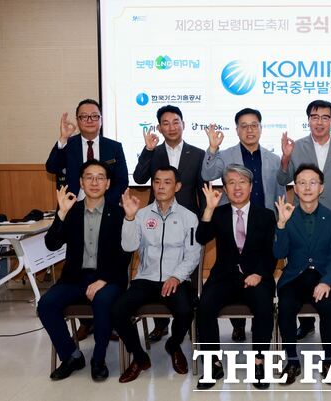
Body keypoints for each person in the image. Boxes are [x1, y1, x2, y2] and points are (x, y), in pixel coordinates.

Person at [38, 160, 131, 382]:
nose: (94, 182)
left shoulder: (119, 213)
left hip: (108, 279)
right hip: (74, 278)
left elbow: (125, 254)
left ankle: (98, 360)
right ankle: (71, 356)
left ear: (108, 183)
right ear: (81, 182)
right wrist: (61, 213)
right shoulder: (71, 211)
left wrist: (103, 280)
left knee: (102, 301)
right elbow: (51, 244)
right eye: (89, 177)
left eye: (100, 178)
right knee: (46, 305)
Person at [45, 99, 129, 340]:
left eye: (95, 116)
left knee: (105, 262)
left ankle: (105, 319)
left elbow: (121, 180)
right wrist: (62, 139)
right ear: (78, 120)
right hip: (73, 212)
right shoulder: (68, 145)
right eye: (84, 116)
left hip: (106, 212)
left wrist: (101, 202)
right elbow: (51, 167)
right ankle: (86, 322)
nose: (90, 120)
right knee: (77, 264)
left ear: (101, 119)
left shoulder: (114, 146)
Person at [201, 107, 285, 341]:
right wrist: (212, 149)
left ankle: (259, 353)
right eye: (244, 126)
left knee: (260, 288)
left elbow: (279, 191)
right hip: (232, 218)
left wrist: (281, 220)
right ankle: (236, 326)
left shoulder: (273, 159)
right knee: (218, 288)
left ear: (260, 128)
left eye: (254, 125)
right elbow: (207, 174)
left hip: (262, 221)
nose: (249, 130)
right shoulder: (226, 155)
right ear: (237, 130)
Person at [278, 99, 331, 339]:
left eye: (325, 117)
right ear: (308, 120)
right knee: (301, 265)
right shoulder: (297, 147)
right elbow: (283, 180)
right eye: (315, 117)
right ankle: (306, 323)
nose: (319, 122)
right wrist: (285, 158)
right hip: (302, 219)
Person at [113, 166, 201, 383]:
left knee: (185, 311)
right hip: (145, 278)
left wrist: (176, 277)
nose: (161, 186)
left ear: (177, 187)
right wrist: (129, 218)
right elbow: (128, 246)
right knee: (117, 311)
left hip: (175, 279)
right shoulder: (141, 215)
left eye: (167, 182)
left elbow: (193, 255)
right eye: (157, 181)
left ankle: (173, 345)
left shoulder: (188, 217)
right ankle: (140, 357)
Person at [195, 165, 277, 390]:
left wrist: (259, 274)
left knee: (264, 305)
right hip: (224, 277)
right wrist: (209, 209)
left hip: (256, 276)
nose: (237, 187)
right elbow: (201, 238)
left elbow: (272, 253)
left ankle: (259, 363)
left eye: (242, 182)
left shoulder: (266, 215)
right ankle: (212, 364)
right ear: (225, 189)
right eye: (231, 182)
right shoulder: (219, 213)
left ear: (251, 187)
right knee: (204, 305)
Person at [132, 104, 206, 343]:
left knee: (187, 273)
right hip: (157, 219)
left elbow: (202, 190)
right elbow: (139, 178)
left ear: (184, 124)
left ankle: (188, 322)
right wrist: (147, 150)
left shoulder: (197, 154)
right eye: (166, 123)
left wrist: (205, 220)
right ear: (159, 127)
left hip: (187, 222)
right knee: (156, 267)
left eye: (176, 122)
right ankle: (160, 324)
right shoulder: (153, 152)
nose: (172, 127)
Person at [273, 164, 331, 385]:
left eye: (313, 183)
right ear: (295, 188)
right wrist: (281, 224)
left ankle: (328, 360)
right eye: (301, 183)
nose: (307, 187)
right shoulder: (287, 215)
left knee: (329, 306)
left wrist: (327, 282)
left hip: (322, 277)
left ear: (321, 188)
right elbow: (279, 253)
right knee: (285, 306)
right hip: (294, 277)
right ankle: (292, 361)